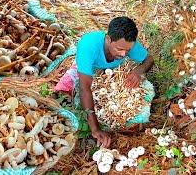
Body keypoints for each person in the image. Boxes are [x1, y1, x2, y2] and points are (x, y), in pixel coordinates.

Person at [55, 16, 154, 147]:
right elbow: (85, 88)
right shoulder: (88, 46)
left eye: (128, 50)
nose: (124, 54)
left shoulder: (128, 43)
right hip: (89, 68)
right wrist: (95, 129)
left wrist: (139, 71)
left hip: (114, 73)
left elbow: (149, 59)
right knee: (61, 94)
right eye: (119, 49)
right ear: (108, 39)